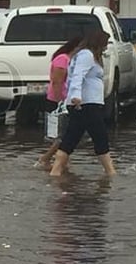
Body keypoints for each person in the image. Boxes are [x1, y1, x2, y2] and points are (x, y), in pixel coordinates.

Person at [50, 30, 117, 177]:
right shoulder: (86, 55)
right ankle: (110, 173)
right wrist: (76, 96)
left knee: (71, 138)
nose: (105, 47)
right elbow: (77, 76)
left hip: (87, 104)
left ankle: (55, 172)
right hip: (86, 104)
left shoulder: (87, 55)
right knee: (100, 137)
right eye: (104, 44)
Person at [37, 35, 82, 168]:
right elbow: (57, 82)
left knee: (65, 133)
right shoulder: (63, 59)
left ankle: (61, 160)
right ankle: (46, 158)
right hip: (58, 101)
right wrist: (59, 102)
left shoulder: (70, 60)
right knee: (63, 134)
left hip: (65, 100)